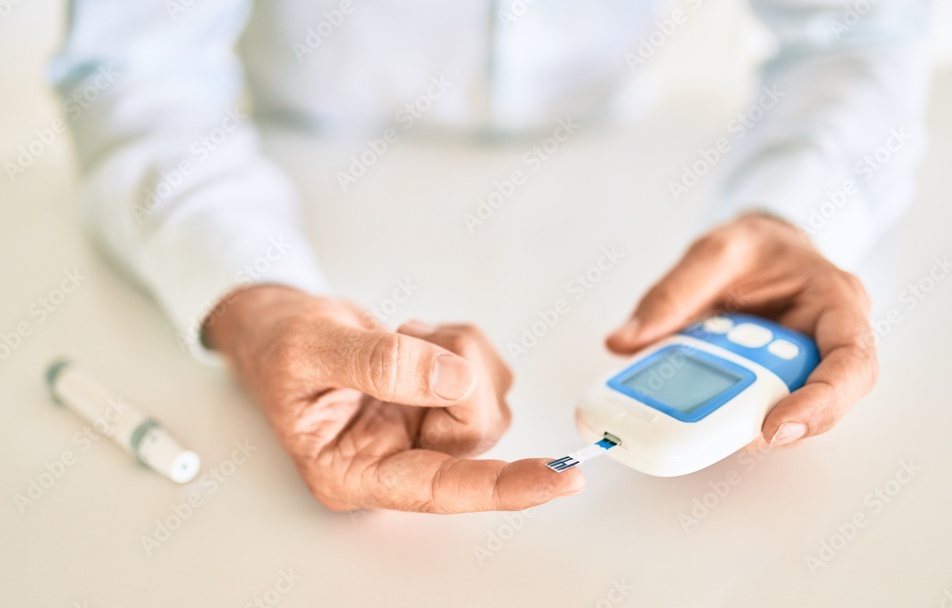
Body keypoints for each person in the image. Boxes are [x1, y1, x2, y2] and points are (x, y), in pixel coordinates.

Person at [49, 1, 930, 513]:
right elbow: (131, 65)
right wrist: (251, 294)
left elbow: (860, 33)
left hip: (623, 193)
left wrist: (795, 213)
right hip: (283, 178)